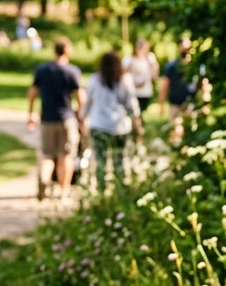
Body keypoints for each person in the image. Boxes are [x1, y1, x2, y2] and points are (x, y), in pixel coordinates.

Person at [27, 36, 86, 200]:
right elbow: (81, 97)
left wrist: (31, 113)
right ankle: (63, 191)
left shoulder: (42, 70)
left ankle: (44, 179)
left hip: (47, 118)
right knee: (65, 156)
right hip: (67, 118)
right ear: (67, 50)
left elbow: (32, 93)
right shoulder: (72, 71)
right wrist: (81, 115)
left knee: (47, 154)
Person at [81, 51, 142, 192]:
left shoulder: (95, 79)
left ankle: (102, 192)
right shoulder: (125, 80)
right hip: (119, 126)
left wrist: (83, 118)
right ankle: (120, 192)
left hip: (99, 125)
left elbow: (88, 102)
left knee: (100, 162)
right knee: (119, 161)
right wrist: (137, 123)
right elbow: (131, 104)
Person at [159, 37, 209, 145]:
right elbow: (165, 85)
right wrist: (161, 104)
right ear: (179, 47)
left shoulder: (197, 66)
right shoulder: (171, 66)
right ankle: (175, 152)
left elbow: (204, 84)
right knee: (175, 130)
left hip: (191, 103)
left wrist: (206, 102)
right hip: (175, 103)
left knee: (191, 131)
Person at [123, 37, 159, 113]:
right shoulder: (128, 59)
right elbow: (123, 73)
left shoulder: (150, 58)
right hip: (132, 90)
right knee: (134, 110)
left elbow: (155, 74)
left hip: (145, 91)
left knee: (142, 109)